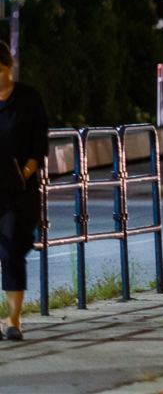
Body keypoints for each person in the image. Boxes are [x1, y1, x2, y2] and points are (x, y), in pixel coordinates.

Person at [0, 42, 45, 340]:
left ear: (9, 66)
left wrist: (24, 174)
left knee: (11, 251)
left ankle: (13, 321)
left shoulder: (29, 98)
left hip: (18, 191)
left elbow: (39, 145)